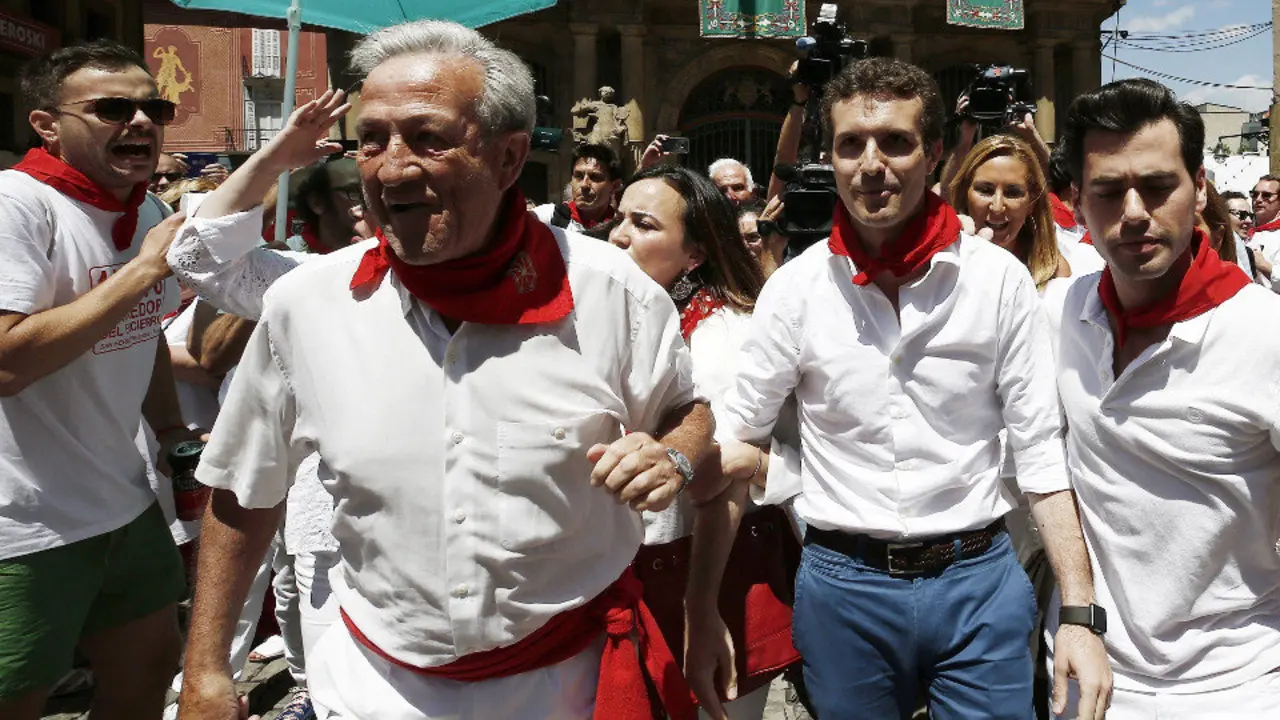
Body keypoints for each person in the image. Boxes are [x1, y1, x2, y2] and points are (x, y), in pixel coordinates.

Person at [176, 20, 714, 720]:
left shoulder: (615, 293)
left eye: (427, 138)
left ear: (510, 157)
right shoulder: (305, 305)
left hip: (565, 688)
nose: (391, 168)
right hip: (371, 690)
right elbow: (244, 488)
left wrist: (674, 454)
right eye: (371, 139)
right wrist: (206, 670)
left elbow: (687, 410)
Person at [711, 56, 1112, 719]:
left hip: (979, 579)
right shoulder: (795, 290)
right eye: (850, 144)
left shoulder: (998, 282)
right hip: (844, 588)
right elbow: (737, 442)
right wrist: (702, 603)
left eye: (895, 142)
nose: (872, 163)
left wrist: (1078, 614)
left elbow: (1040, 453)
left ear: (932, 156)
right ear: (830, 158)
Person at [1053, 77, 1280, 718]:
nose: (1132, 212)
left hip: (1239, 687)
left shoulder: (1265, 335)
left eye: (1157, 187)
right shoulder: (1059, 314)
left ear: (1200, 187)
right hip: (1084, 677)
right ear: (1075, 200)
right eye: (1106, 191)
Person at [0, 39, 197, 719]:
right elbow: (6, 363)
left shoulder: (143, 212)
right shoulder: (14, 205)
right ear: (47, 125)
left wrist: (172, 432)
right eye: (113, 108)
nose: (140, 122)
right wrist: (141, 271)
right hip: (20, 522)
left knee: (147, 673)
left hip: (123, 501)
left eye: (153, 107)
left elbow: (138, 339)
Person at [605, 165, 801, 720]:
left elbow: (728, 477)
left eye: (642, 224)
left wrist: (701, 608)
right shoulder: (602, 314)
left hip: (709, 576)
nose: (619, 235)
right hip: (620, 575)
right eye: (620, 219)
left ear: (693, 254)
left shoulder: (723, 335)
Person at [533, 143, 621, 232]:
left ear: (615, 186)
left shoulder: (620, 229)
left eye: (595, 177)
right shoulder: (547, 217)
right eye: (579, 176)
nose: (584, 185)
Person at [287, 156, 363, 254]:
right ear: (317, 202)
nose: (368, 201)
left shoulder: (382, 250)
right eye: (355, 192)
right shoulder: (290, 254)